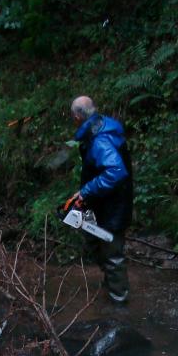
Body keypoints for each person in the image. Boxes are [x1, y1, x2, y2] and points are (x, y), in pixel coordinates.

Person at [68, 95, 133, 303]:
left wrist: (86, 191)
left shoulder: (100, 139)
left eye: (72, 115)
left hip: (114, 206)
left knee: (112, 254)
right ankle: (112, 288)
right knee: (95, 241)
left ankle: (119, 304)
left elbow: (115, 171)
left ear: (77, 117)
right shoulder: (98, 128)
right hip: (106, 203)